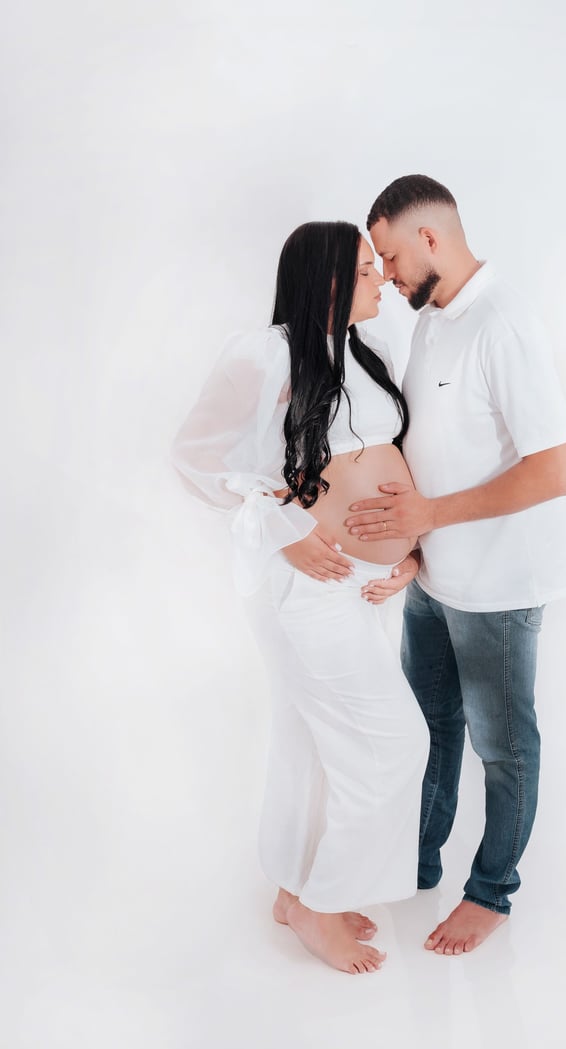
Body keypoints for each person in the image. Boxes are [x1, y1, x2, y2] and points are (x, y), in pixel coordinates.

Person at [172, 221, 430, 974]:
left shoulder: (367, 351)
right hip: (306, 582)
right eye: (366, 270)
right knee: (394, 742)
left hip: (362, 585)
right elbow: (194, 457)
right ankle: (321, 904)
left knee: (315, 743)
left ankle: (296, 891)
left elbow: (389, 459)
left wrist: (408, 553)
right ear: (328, 281)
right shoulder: (265, 353)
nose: (381, 280)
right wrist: (284, 527)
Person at [345, 175, 566, 955]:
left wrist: (428, 519)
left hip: (499, 587)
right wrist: (414, 547)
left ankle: (491, 893)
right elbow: (436, 448)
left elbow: (555, 469)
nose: (387, 275)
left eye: (390, 256)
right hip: (434, 579)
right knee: (427, 730)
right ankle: (413, 864)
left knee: (502, 748)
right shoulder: (432, 322)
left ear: (431, 237)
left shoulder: (504, 322)